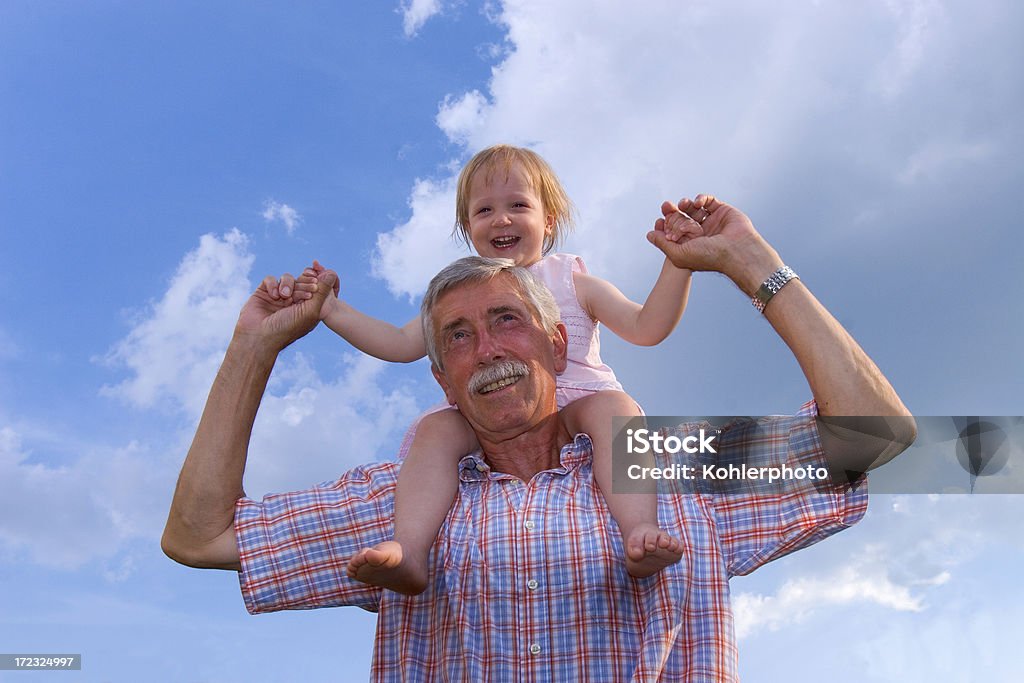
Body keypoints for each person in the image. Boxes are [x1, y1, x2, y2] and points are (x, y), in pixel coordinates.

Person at [161, 194, 916, 681]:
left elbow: (875, 437)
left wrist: (755, 265)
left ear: (559, 347)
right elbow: (199, 536)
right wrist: (252, 349)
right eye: (456, 337)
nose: (485, 350)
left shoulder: (661, 460)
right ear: (439, 378)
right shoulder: (405, 500)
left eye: (506, 321)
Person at [302, 144, 696, 593]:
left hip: (578, 408)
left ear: (548, 220)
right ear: (468, 228)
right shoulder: (463, 293)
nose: (501, 219)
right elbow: (397, 344)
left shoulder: (573, 281)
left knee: (617, 411)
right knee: (437, 431)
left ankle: (638, 529)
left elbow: (647, 327)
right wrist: (332, 312)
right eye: (483, 210)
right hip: (492, 413)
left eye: (518, 205)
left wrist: (677, 265)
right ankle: (409, 549)